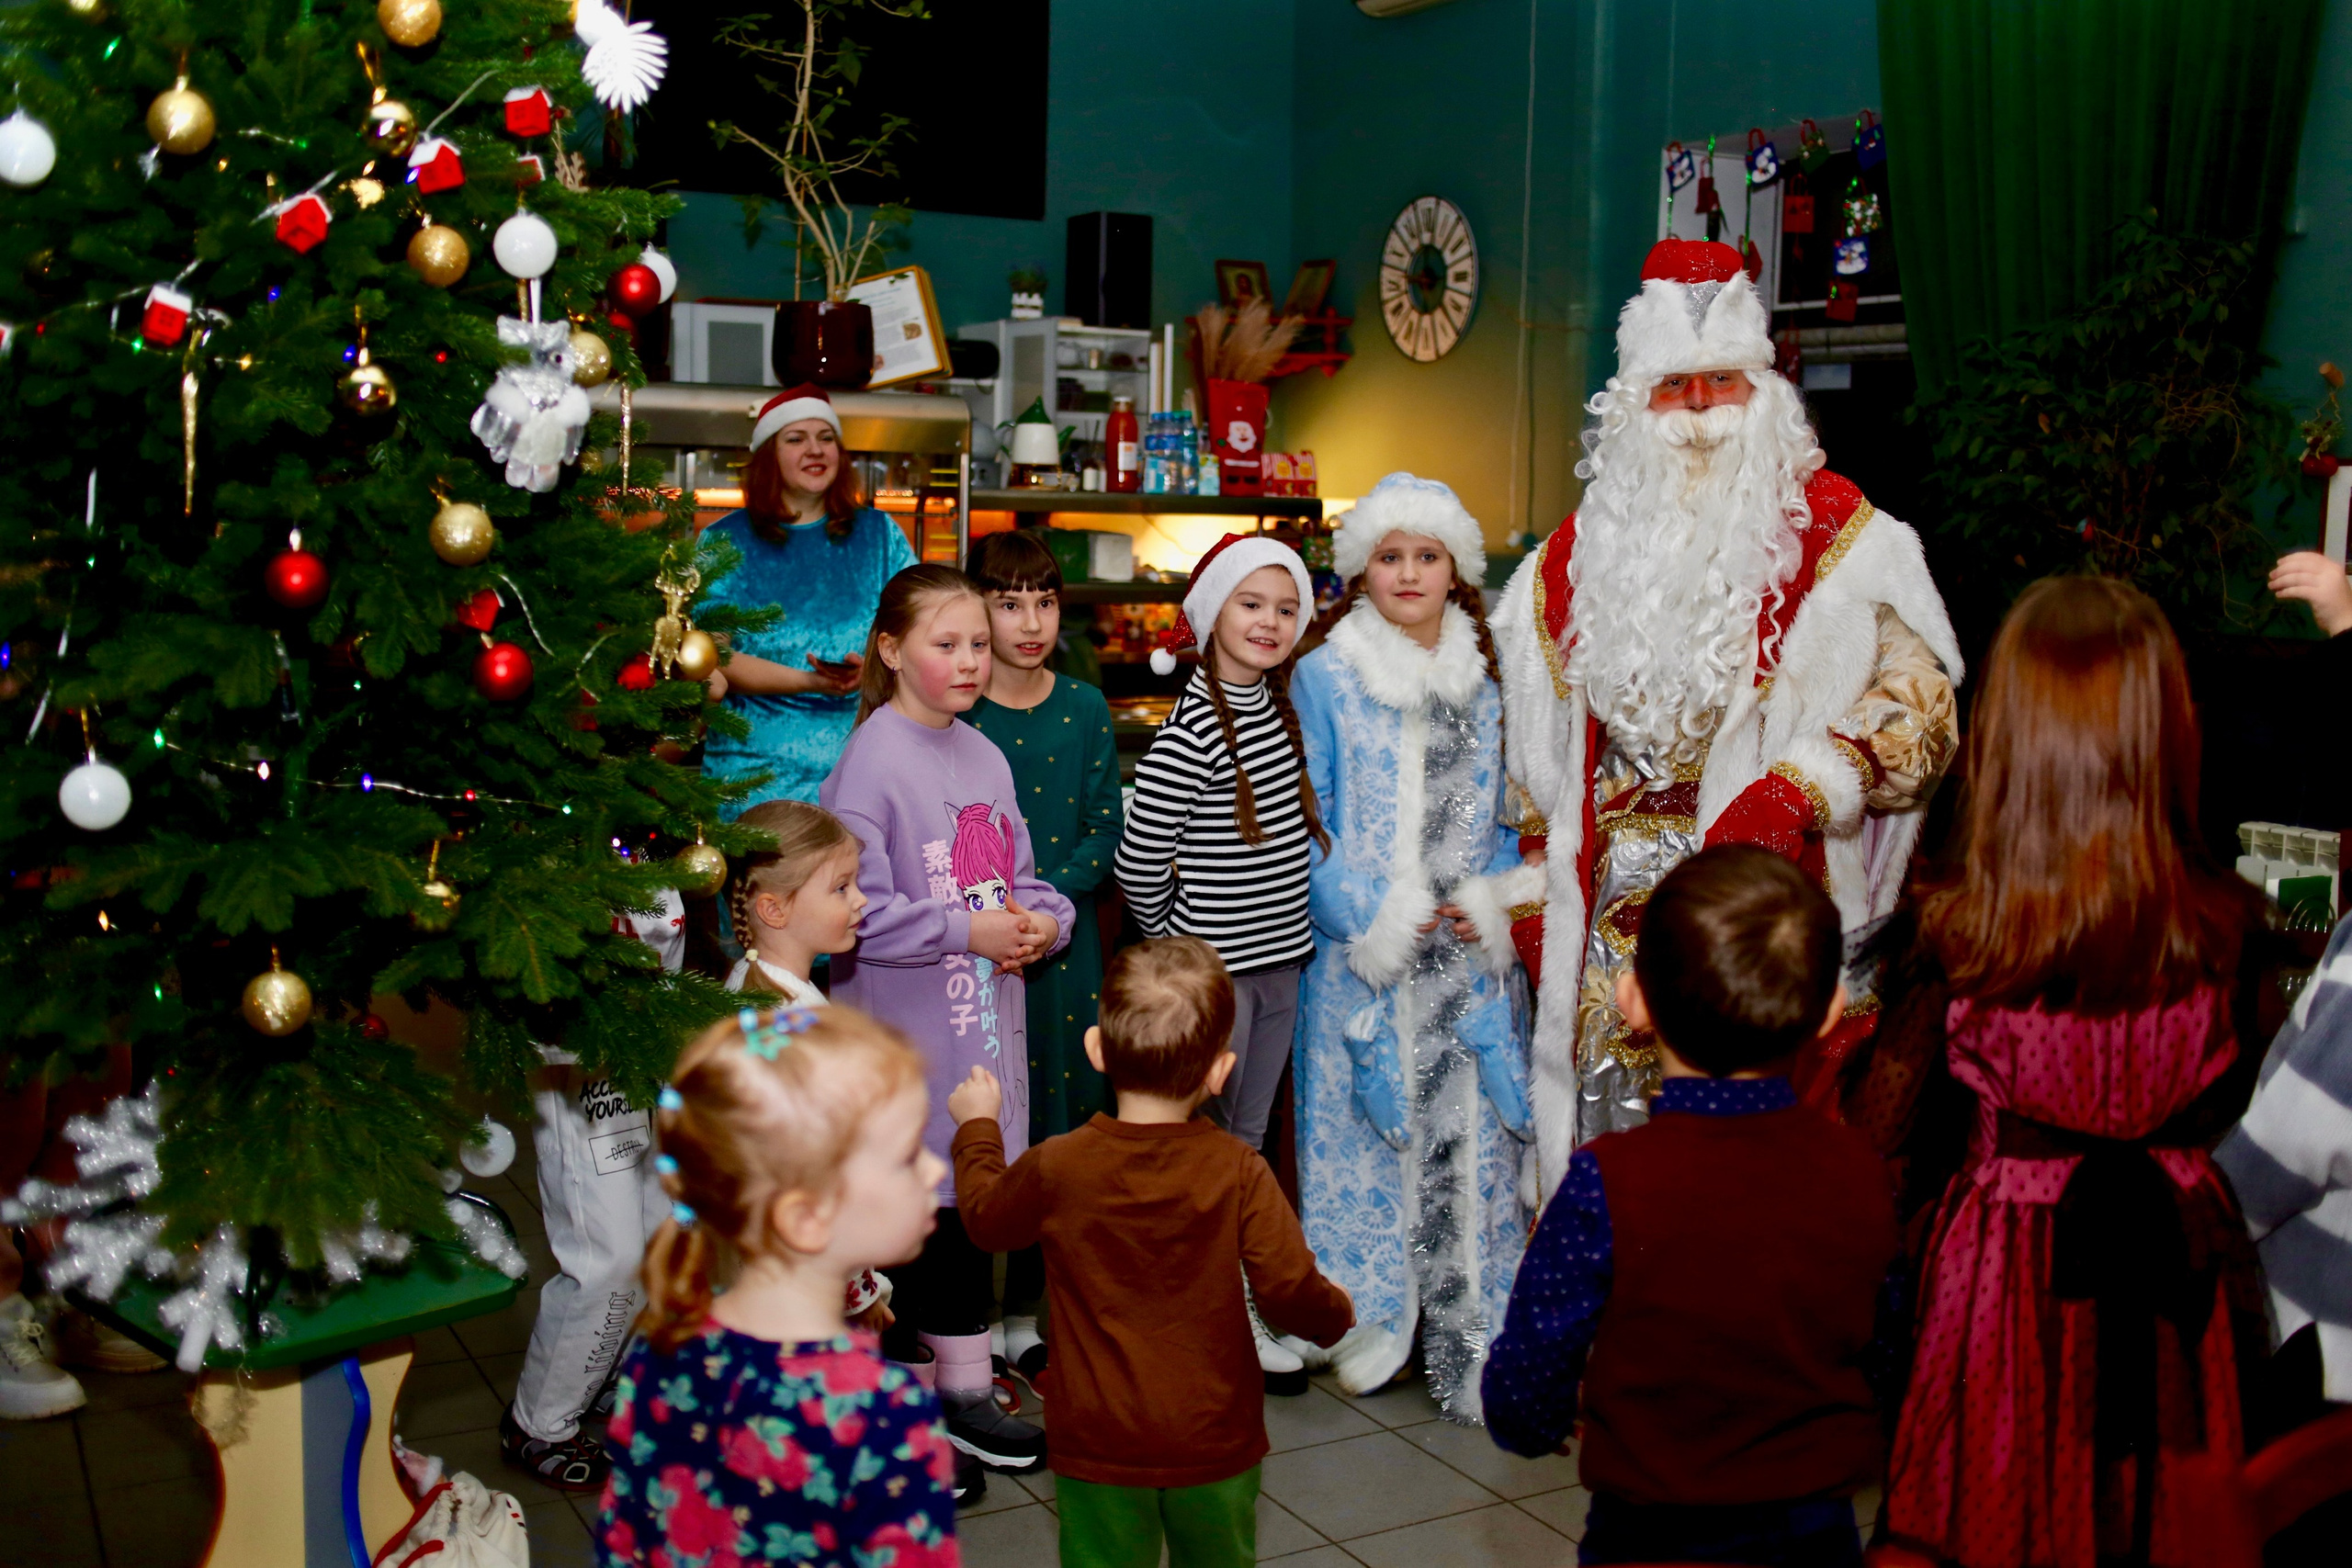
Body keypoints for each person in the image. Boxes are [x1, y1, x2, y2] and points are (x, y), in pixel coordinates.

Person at [1491, 236, 1961, 1193]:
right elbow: (1529, 768)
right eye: (1674, 386)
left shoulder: (1844, 535)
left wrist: (1798, 788)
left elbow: (1925, 712)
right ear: (1635, 402)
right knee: (1614, 1187)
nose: (1701, 406)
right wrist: (1539, 905)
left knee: (1754, 1183)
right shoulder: (1569, 561)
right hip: (1608, 945)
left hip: (1767, 914)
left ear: (1763, 390)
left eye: (1721, 380)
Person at [1883, 576, 2267, 1568]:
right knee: (2160, 1514)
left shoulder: (1957, 932)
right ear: (2166, 734)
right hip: (2175, 1262)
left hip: (2005, 1278)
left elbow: (1882, 1137)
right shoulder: (2226, 934)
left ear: (2007, 740)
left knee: (1998, 1510)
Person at [1483, 844, 1897, 1567]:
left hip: (1648, 1536)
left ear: (1634, 1000)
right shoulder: (1861, 1169)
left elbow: (1525, 1383)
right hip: (1815, 1536)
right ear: (1832, 1010)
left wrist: (1541, 1420)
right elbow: (1891, 1353)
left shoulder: (1605, 1182)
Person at [945, 937, 1354, 1568]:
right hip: (1213, 1435)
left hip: (1097, 1435)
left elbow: (984, 1221)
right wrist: (1335, 1313)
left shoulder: (1059, 1164)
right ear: (1220, 1070)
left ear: (1096, 1049)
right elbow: (1289, 1290)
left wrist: (977, 1127)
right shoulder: (1239, 1169)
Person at [1287, 474, 1540, 1413]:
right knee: (1368, 1130)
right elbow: (1305, 816)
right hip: (1362, 957)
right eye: (1388, 555)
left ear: (1454, 568)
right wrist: (1369, 911)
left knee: (1469, 1141)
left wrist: (1493, 897)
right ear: (1361, 569)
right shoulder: (1325, 674)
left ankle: (1465, 1325)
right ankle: (1368, 1319)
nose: (1407, 572)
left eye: (1425, 555)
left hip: (1464, 953)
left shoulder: (1492, 676)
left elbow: (1510, 812)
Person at [820, 562, 1072, 1476]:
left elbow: (1021, 879)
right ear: (890, 651)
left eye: (977, 644)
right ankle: (912, 1407)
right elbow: (857, 915)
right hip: (909, 1043)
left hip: (982, 1033)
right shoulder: (870, 763)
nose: (971, 661)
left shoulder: (985, 755)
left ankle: (963, 1393)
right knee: (917, 1229)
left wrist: (1044, 923)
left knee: (971, 1212)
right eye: (947, 644)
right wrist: (970, 929)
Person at [595, 1004, 960, 1568]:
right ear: (806, 1217)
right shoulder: (884, 1409)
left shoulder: (659, 1353)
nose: (935, 1171)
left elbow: (625, 1539)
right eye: (907, 1156)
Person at [963, 527, 1124, 1380]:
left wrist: (1043, 908)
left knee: (1058, 1119)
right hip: (973, 947)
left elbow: (1106, 827)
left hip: (1062, 949)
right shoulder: (959, 708)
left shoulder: (1085, 707)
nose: (1030, 622)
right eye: (1008, 602)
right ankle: (968, 1309)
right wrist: (993, 914)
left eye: (1046, 601)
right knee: (984, 1111)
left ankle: (1027, 1306)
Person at [1114, 533, 1327, 1154]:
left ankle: (1236, 1222)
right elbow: (1138, 859)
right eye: (1250, 604)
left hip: (1281, 964)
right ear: (1214, 613)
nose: (1269, 621)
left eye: (1285, 609)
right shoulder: (1192, 730)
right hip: (1216, 975)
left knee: (1249, 1136)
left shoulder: (1277, 710)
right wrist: (1176, 942)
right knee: (1204, 1139)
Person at [500, 880, 684, 1491]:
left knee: (657, 1236)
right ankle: (539, 1421)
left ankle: (601, 1374)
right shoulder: (561, 866)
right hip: (579, 1079)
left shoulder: (661, 858)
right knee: (607, 1257)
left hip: (640, 1070)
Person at [698, 383, 917, 814]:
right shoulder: (723, 541)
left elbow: (922, 629)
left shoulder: (881, 536)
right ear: (768, 456)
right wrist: (811, 682)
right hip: (751, 784)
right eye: (796, 439)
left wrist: (874, 668)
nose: (815, 450)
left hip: (865, 776)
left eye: (826, 438)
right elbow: (708, 656)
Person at [720, 797, 867, 1005]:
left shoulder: (749, 974)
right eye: (841, 888)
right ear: (774, 910)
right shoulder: (795, 1013)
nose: (862, 900)